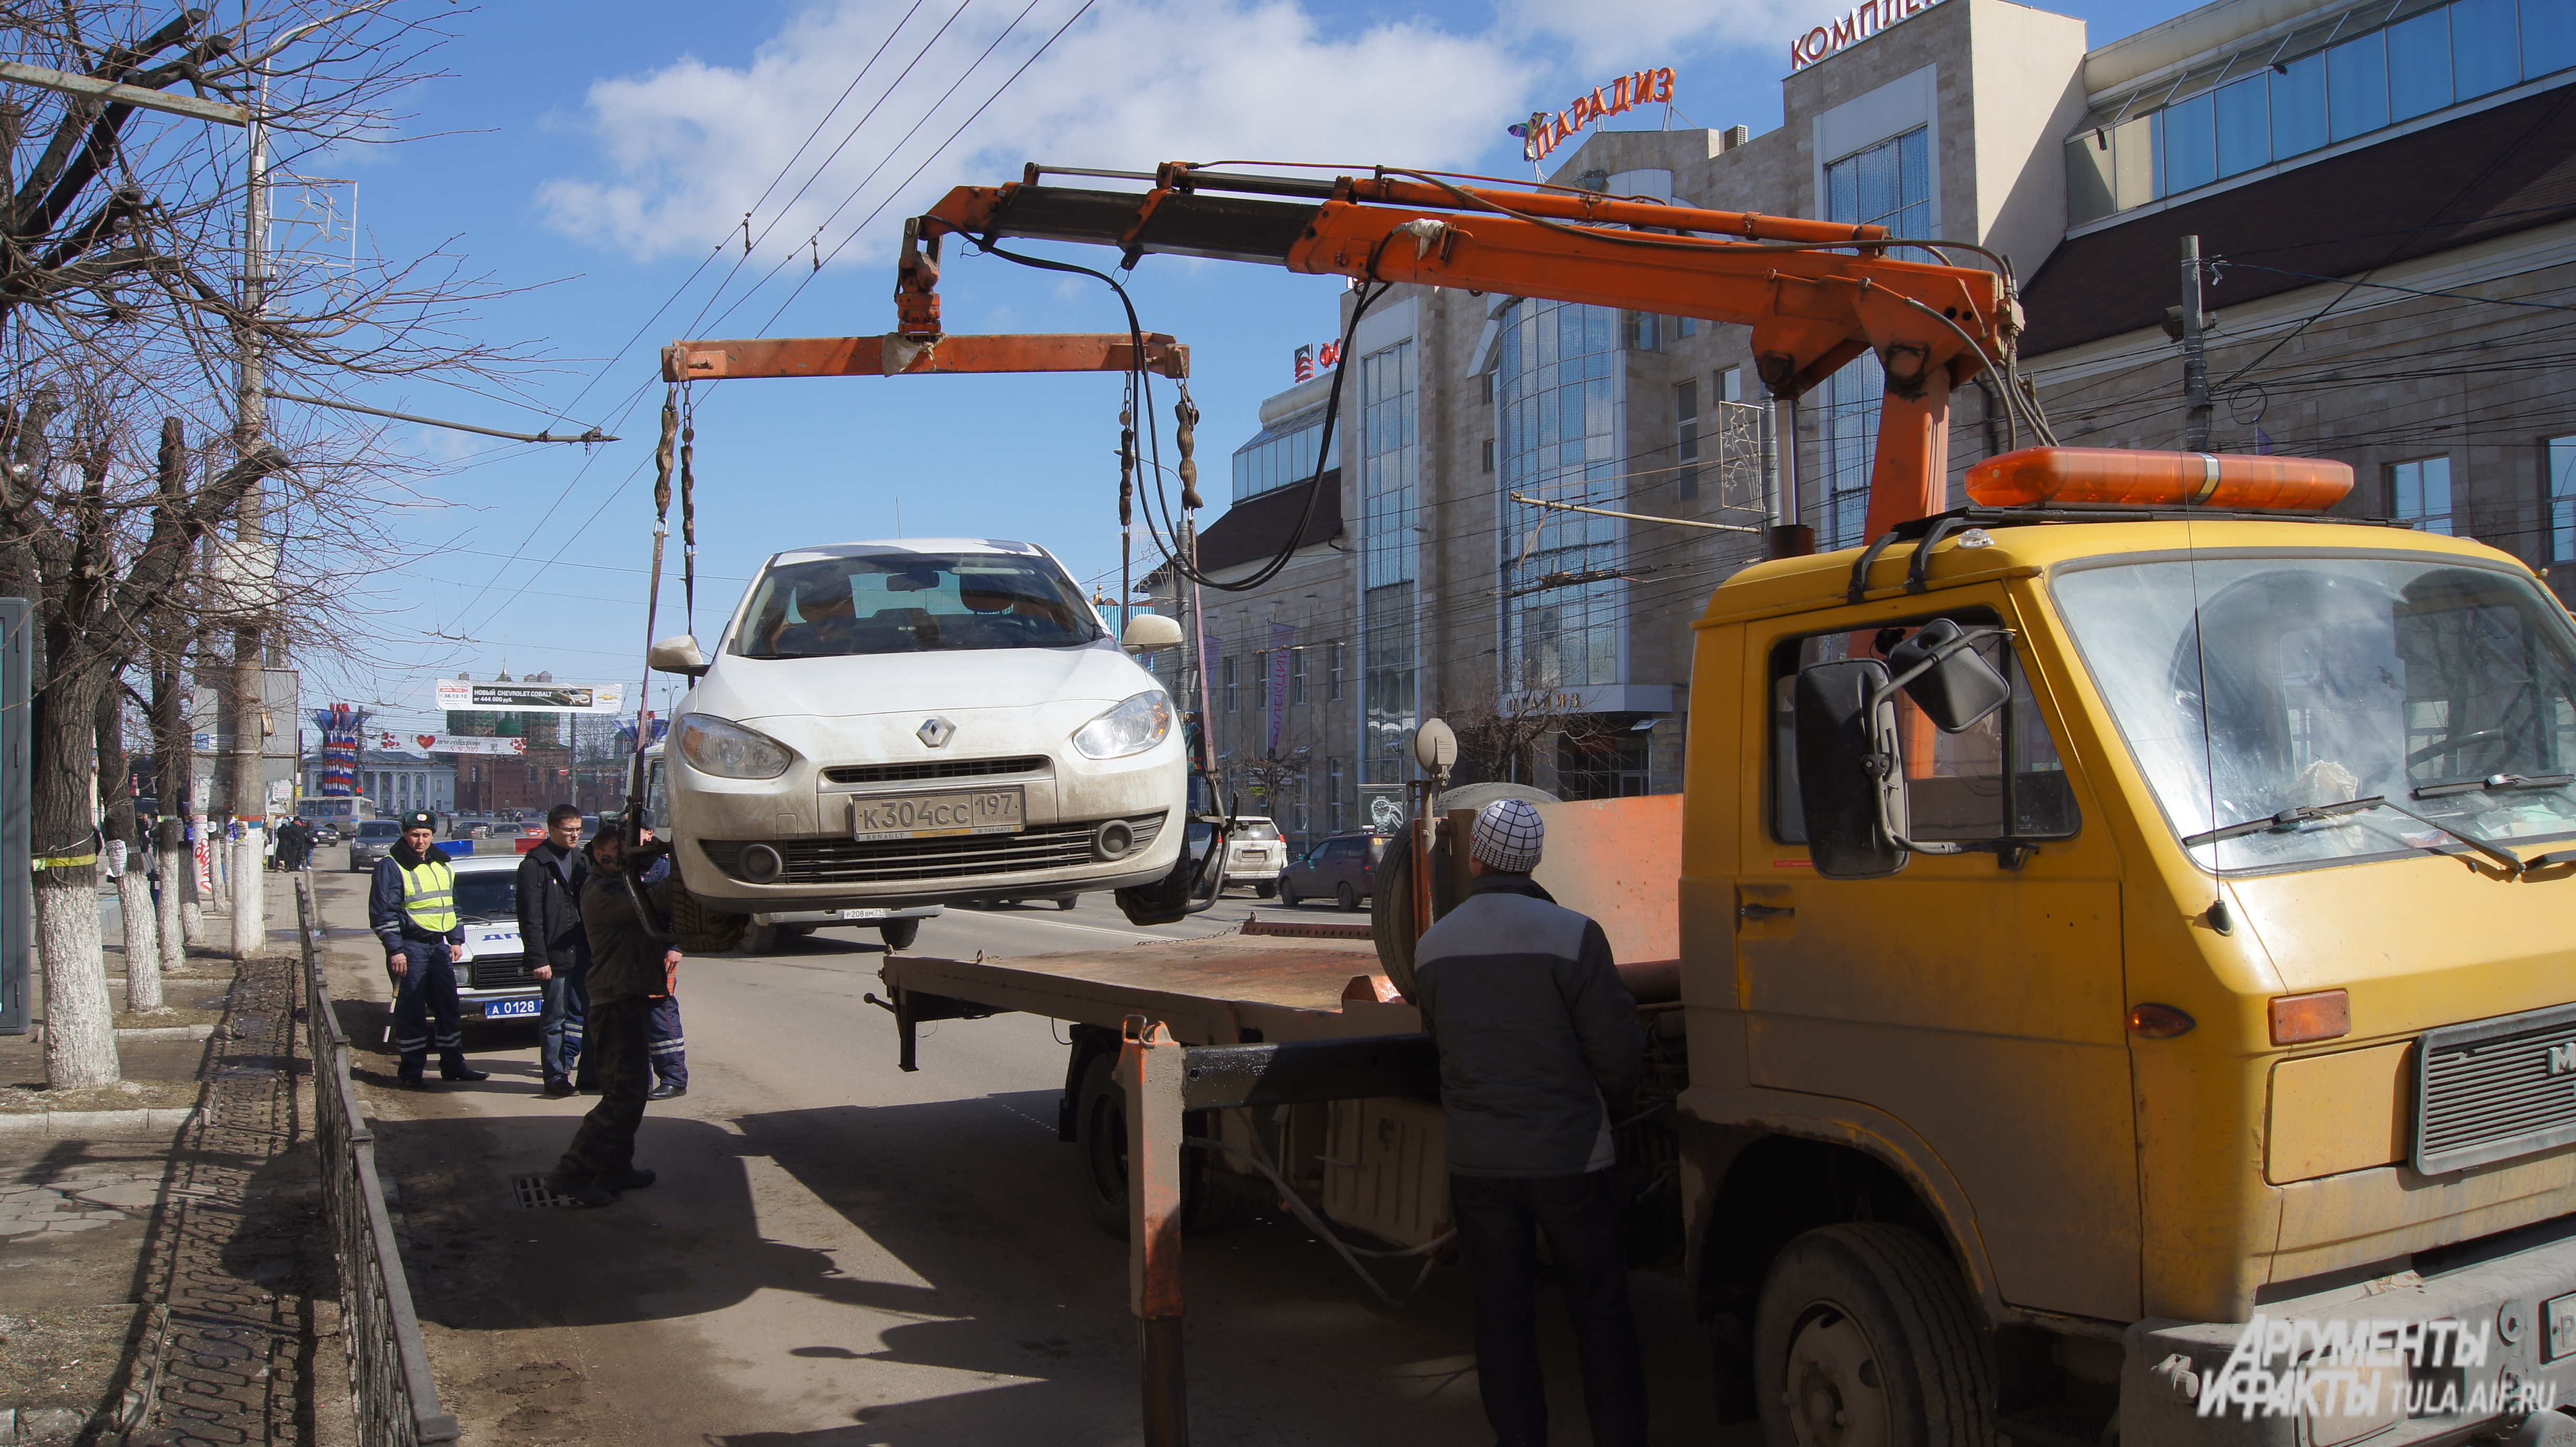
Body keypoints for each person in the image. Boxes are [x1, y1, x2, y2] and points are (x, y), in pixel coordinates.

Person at [1410, 798, 1648, 1447]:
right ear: (1534, 860)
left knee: (1502, 1318)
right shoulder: (1574, 936)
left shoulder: (1432, 948)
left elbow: (1441, 1043)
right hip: (1570, 1159)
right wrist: (1616, 1106)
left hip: (1479, 1165)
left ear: (1480, 857)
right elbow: (1616, 1053)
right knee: (1599, 1312)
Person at [546, 827, 683, 1207]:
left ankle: (615, 1168)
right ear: (603, 854)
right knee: (621, 1095)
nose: (629, 857)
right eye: (622, 851)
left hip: (628, 995)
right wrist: (684, 858)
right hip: (615, 1001)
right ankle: (571, 1173)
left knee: (633, 1091)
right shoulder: (601, 892)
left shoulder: (616, 883)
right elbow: (658, 897)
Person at [368, 809, 491, 1090]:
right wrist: (395, 950)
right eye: (415, 835)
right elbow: (383, 914)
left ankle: (454, 1065)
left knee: (449, 1008)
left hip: (439, 947)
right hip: (410, 948)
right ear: (405, 834)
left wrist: (457, 939)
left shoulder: (441, 864)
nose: (420, 841)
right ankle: (412, 1071)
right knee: (411, 1010)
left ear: (433, 835)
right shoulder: (392, 866)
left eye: (425, 835)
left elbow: (452, 904)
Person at [517, 804, 591, 1097]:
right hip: (554, 957)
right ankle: (556, 1076)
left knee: (585, 1014)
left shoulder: (582, 859)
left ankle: (589, 1074)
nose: (575, 835)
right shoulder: (536, 864)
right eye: (569, 830)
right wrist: (539, 958)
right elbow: (530, 917)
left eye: (578, 830)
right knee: (555, 1018)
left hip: (584, 953)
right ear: (552, 829)